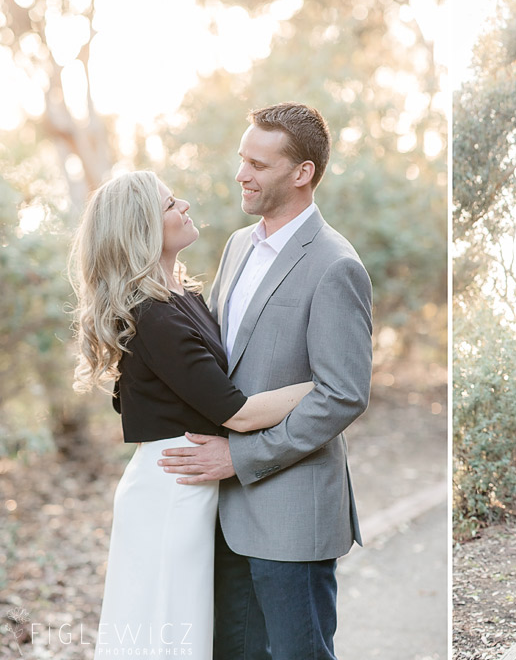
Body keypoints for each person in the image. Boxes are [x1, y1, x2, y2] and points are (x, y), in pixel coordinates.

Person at [156, 102, 373, 659]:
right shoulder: (235, 247)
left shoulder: (335, 265)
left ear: (302, 173)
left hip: (291, 515)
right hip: (222, 512)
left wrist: (241, 457)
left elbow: (343, 394)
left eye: (258, 163)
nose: (240, 175)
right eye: (241, 159)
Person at [70, 170, 317, 658]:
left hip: (192, 482)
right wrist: (324, 385)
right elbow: (239, 413)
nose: (183, 205)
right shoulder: (154, 316)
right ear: (142, 229)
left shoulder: (184, 298)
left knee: (183, 628)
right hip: (171, 490)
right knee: (167, 628)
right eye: (168, 205)